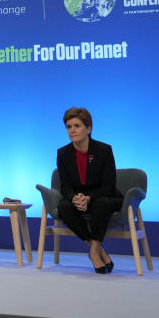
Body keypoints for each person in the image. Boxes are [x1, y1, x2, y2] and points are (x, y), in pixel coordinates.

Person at [56, 107, 122, 273]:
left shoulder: (104, 150)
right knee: (63, 207)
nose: (72, 130)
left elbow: (109, 186)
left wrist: (88, 198)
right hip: (78, 199)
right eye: (69, 127)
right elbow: (65, 186)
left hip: (103, 197)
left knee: (102, 204)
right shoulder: (63, 153)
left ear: (88, 128)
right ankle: (98, 249)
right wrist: (75, 198)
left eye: (77, 126)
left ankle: (93, 252)